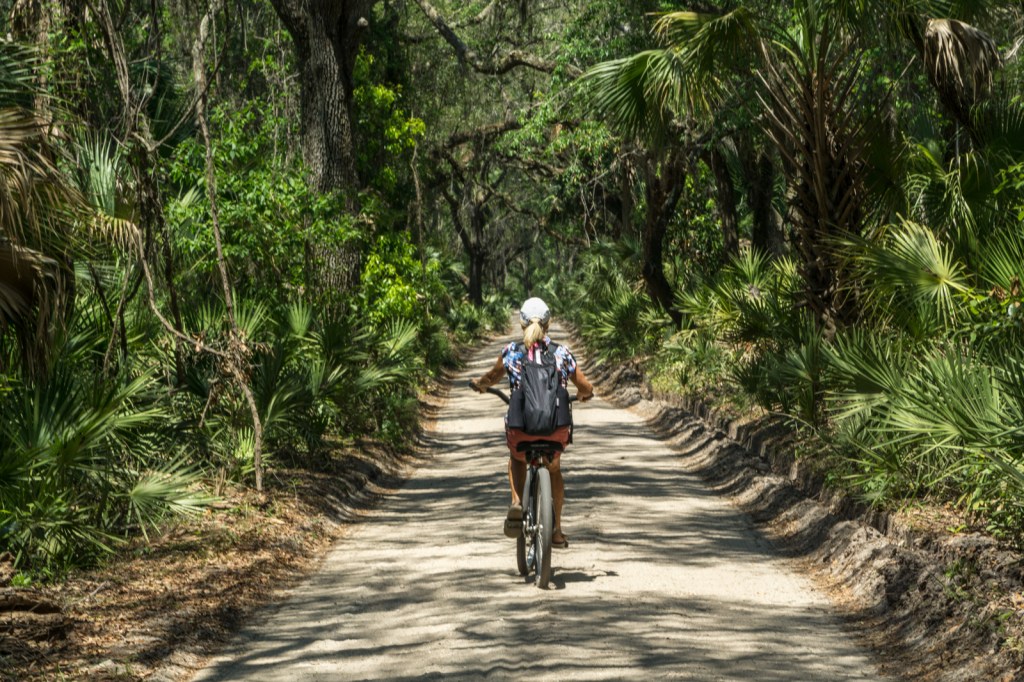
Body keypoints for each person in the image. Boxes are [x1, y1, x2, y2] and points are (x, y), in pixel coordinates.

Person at [470, 297, 593, 548]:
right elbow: (585, 385)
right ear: (549, 323)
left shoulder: (512, 352)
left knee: (517, 458)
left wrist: (480, 385)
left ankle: (516, 502)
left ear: (521, 323)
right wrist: (584, 395)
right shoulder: (561, 353)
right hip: (555, 430)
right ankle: (556, 530)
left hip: (521, 429)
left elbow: (492, 377)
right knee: (554, 469)